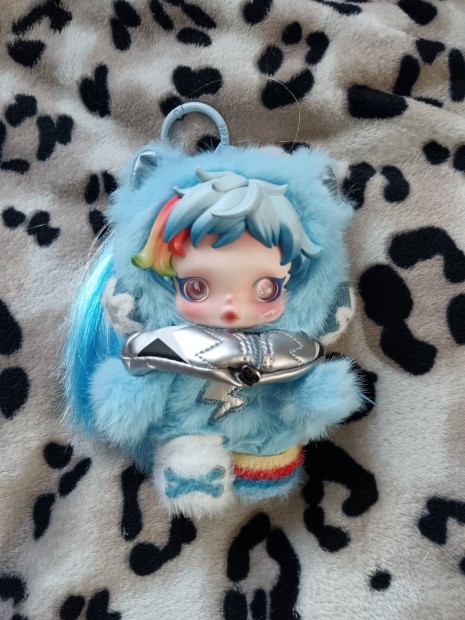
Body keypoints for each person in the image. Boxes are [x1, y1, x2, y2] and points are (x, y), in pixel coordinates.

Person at [64, 144, 363, 517]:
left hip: (268, 434)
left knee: (271, 459)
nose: (231, 309)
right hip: (190, 433)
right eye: (196, 287)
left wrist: (317, 395)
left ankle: (259, 467)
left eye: (266, 288)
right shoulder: (169, 346)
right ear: (160, 281)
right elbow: (127, 402)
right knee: (190, 462)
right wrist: (131, 393)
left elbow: (310, 395)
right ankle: (192, 471)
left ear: (302, 281)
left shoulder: (288, 349)